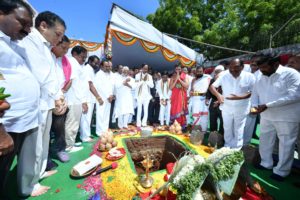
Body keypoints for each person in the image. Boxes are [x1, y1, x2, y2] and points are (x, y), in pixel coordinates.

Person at [16, 10, 66, 196]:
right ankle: (27, 186)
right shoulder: (31, 40)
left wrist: (59, 96)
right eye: (58, 34)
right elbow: (40, 73)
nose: (59, 39)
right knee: (33, 146)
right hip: (37, 102)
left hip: (47, 102)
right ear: (43, 26)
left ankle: (40, 171)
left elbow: (53, 76)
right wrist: (56, 95)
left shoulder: (46, 47)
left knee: (43, 142)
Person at [0, 2, 40, 197]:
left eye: (29, 25)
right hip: (5, 126)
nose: (27, 30)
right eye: (22, 23)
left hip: (24, 120)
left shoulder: (16, 44)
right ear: (1, 14)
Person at [252, 54, 300, 181]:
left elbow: (294, 95)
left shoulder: (291, 74)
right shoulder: (260, 76)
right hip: (266, 115)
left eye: (264, 67)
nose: (261, 70)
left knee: (286, 143)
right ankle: (265, 163)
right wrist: (254, 106)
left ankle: (282, 171)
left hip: (287, 116)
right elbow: (255, 93)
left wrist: (268, 105)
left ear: (275, 64)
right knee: (265, 140)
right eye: (260, 67)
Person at [210, 59, 255, 149]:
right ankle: (227, 146)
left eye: (236, 67)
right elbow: (212, 87)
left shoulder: (249, 76)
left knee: (238, 129)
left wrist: (240, 97)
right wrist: (218, 95)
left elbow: (254, 91)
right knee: (227, 128)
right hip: (226, 107)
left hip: (241, 107)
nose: (233, 70)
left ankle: (236, 149)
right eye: (231, 68)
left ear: (242, 67)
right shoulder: (224, 75)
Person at [50, 35, 70, 162]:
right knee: (45, 133)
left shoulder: (61, 60)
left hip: (60, 98)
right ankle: (46, 157)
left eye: (67, 49)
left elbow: (62, 81)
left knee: (59, 127)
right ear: (55, 44)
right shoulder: (48, 57)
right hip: (48, 99)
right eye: (63, 48)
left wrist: (61, 97)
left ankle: (60, 149)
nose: (65, 51)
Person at [65, 46, 88, 151]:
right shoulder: (73, 63)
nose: (83, 60)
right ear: (74, 53)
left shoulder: (75, 63)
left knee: (73, 123)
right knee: (72, 123)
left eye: (85, 58)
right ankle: (69, 146)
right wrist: (83, 101)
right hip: (74, 99)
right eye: (82, 57)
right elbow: (74, 83)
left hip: (74, 98)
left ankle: (71, 143)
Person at [79, 55, 101, 142]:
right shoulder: (87, 69)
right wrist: (98, 97)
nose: (97, 65)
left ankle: (86, 135)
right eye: (95, 63)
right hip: (87, 97)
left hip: (90, 98)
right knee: (86, 118)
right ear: (90, 61)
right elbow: (90, 85)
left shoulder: (90, 70)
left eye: (98, 63)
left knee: (87, 118)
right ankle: (84, 137)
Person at [243, 55, 262, 144]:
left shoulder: (262, 74)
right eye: (252, 62)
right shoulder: (246, 72)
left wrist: (255, 108)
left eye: (256, 62)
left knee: (249, 125)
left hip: (253, 104)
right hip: (242, 103)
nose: (253, 64)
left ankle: (245, 144)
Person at [94, 60, 115, 136]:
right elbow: (99, 88)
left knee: (106, 115)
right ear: (101, 66)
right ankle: (99, 132)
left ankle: (105, 130)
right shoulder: (98, 74)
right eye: (106, 66)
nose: (108, 68)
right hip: (101, 98)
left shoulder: (109, 74)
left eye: (108, 66)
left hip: (109, 98)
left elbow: (111, 86)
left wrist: (111, 95)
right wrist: (107, 96)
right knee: (100, 115)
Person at [190, 66, 211, 132]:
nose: (199, 73)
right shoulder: (193, 80)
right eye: (198, 72)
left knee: (204, 116)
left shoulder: (207, 78)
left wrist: (205, 95)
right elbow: (192, 90)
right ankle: (196, 131)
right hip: (195, 100)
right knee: (196, 116)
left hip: (204, 100)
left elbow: (208, 89)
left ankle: (203, 131)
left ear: (203, 71)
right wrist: (191, 92)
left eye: (200, 72)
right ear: (195, 72)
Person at [206, 65, 224, 134]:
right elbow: (209, 90)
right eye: (216, 72)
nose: (216, 73)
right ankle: (213, 134)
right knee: (212, 118)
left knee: (223, 120)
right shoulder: (212, 80)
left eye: (218, 72)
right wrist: (207, 98)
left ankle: (221, 135)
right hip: (213, 101)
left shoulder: (226, 80)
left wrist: (219, 100)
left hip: (223, 102)